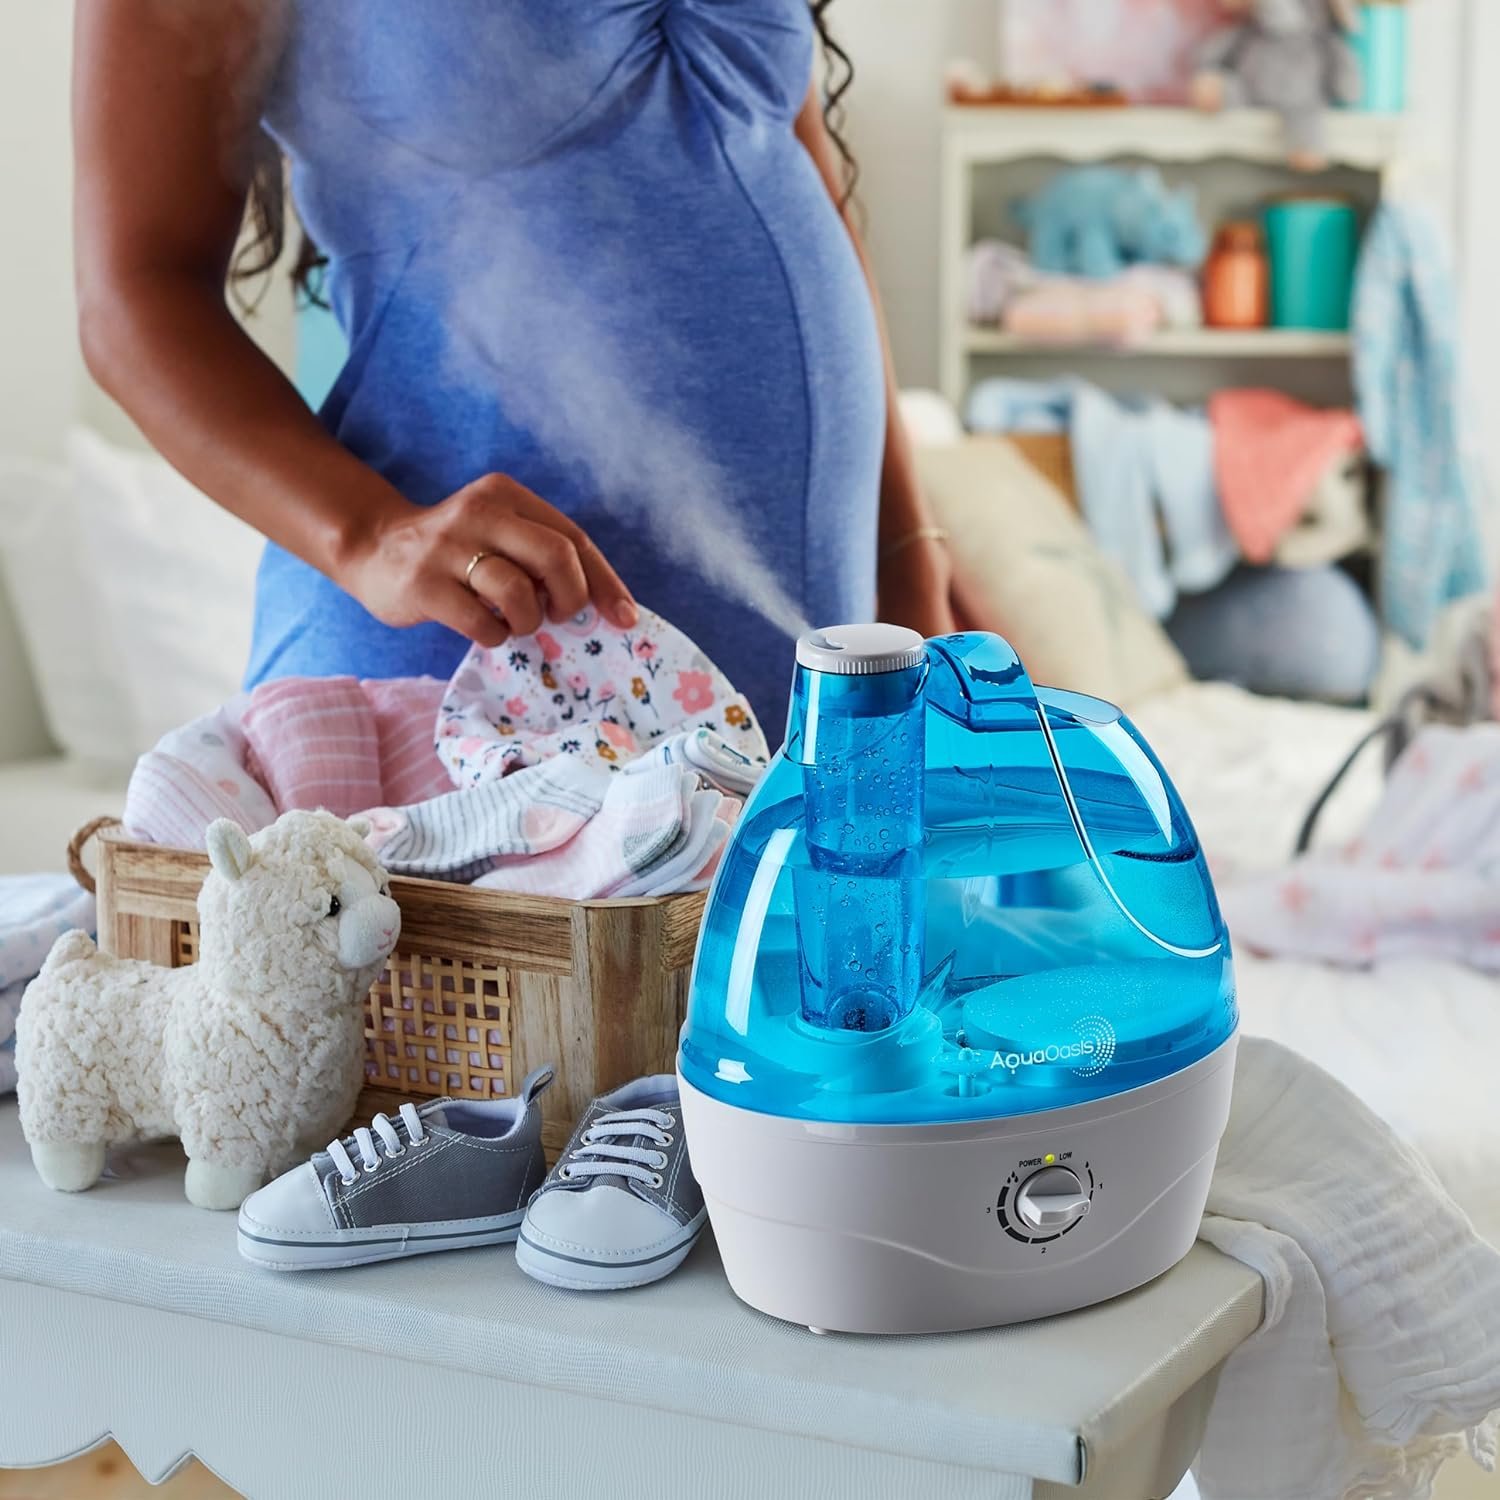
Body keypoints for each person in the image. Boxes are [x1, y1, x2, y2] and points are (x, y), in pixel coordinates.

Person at [74, 0, 957, 737]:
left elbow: (791, 159)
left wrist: (912, 567)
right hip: (472, 689)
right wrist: (370, 535)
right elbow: (134, 294)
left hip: (808, 687)